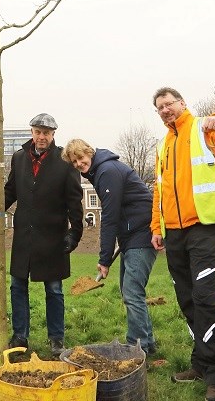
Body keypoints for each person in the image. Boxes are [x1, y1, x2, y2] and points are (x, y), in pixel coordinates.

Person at [150, 87, 215, 400]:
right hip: (173, 231)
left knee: (205, 296)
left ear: (182, 103)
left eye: (169, 104)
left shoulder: (204, 127)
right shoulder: (163, 144)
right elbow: (159, 190)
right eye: (159, 107)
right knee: (187, 299)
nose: (165, 110)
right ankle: (201, 363)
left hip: (205, 225)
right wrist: (156, 227)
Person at [63, 138, 158, 357]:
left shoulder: (107, 171)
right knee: (130, 292)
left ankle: (136, 348)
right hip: (132, 234)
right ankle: (147, 344)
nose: (78, 164)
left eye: (80, 158)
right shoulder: (100, 170)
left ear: (90, 152)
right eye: (74, 162)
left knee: (132, 293)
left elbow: (110, 217)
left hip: (141, 234)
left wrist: (104, 259)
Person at [4, 113, 84, 358]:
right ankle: (20, 336)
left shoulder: (64, 162)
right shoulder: (18, 159)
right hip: (24, 236)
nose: (41, 137)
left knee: (54, 289)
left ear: (53, 135)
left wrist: (75, 233)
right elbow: (10, 192)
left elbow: (74, 201)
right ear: (31, 133)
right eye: (37, 132)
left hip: (53, 238)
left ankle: (56, 338)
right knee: (18, 285)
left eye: (46, 133)